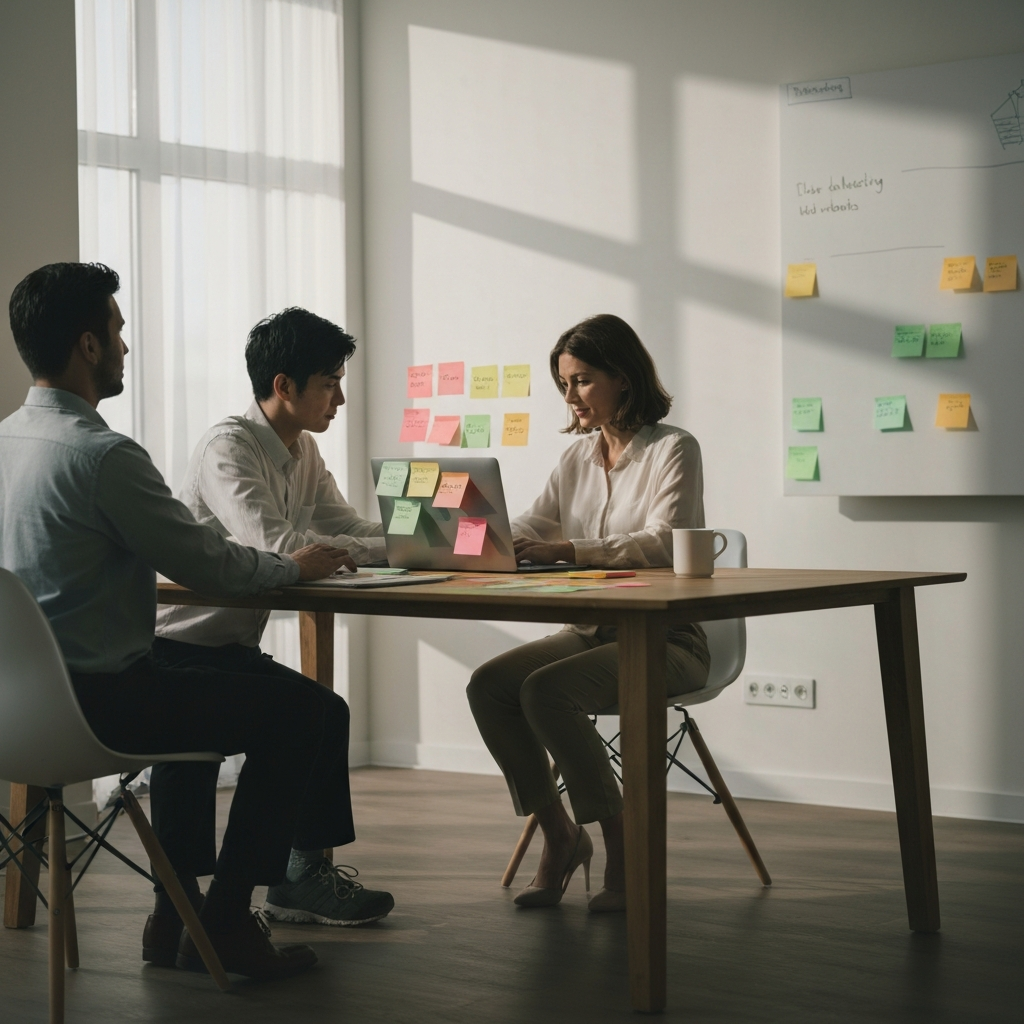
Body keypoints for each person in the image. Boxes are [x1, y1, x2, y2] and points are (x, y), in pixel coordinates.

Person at [0, 262, 355, 980]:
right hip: (102, 703)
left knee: (210, 683)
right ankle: (223, 924)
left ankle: (175, 916)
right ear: (89, 345)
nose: (127, 346)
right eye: (119, 330)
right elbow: (212, 566)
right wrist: (296, 566)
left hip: (14, 709)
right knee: (301, 716)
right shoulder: (103, 456)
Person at [154, 306, 392, 929]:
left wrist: (418, 537)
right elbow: (279, 547)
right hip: (178, 647)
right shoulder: (227, 447)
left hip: (228, 649)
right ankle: (200, 904)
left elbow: (343, 527)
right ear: (283, 385)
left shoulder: (302, 449)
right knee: (296, 719)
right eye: (329, 382)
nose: (340, 397)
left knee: (326, 713)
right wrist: (354, 550)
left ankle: (297, 879)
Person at [466, 314, 710, 911]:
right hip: (591, 631)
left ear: (623, 378)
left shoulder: (672, 448)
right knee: (491, 686)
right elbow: (534, 523)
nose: (570, 395)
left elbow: (664, 540)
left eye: (581, 381)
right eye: (564, 383)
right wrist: (483, 533)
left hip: (668, 639)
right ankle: (561, 837)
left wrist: (569, 550)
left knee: (547, 692)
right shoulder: (576, 458)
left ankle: (621, 848)